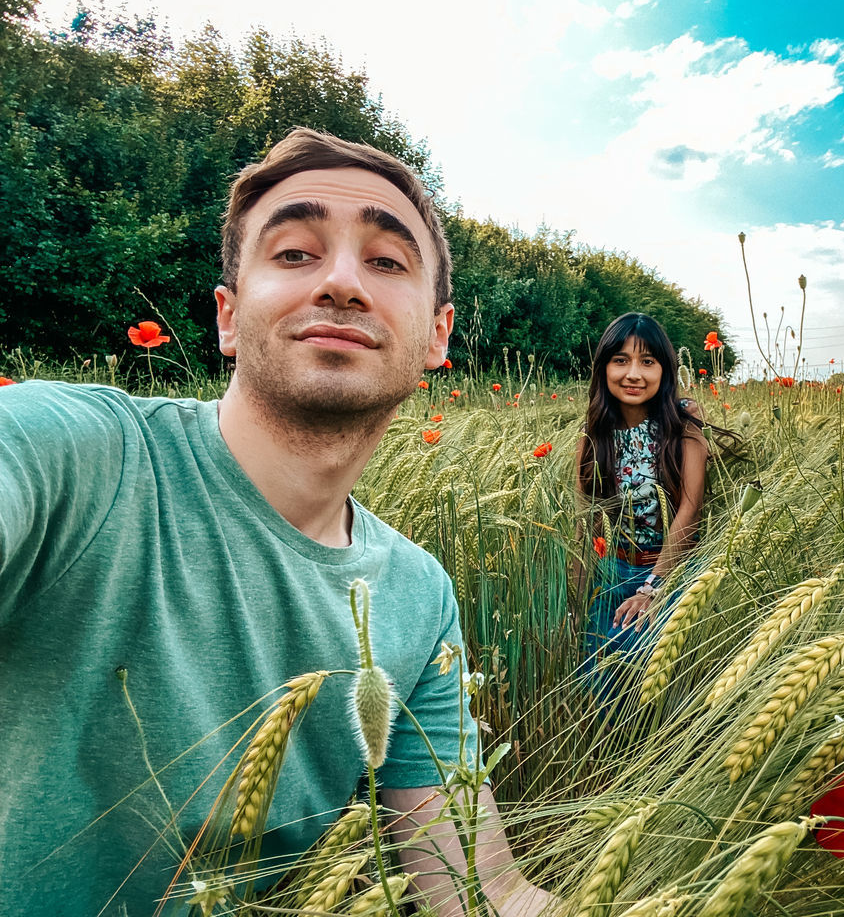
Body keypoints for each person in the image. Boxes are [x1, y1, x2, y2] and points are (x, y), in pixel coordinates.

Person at [0, 129, 552, 917]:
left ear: (438, 335)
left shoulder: (418, 597)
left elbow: (481, 890)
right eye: (295, 253)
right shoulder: (82, 453)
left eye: (387, 261)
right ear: (227, 317)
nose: (341, 282)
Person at [574, 313, 713, 708]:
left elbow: (690, 510)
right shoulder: (594, 435)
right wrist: (576, 598)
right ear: (603, 368)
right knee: (597, 682)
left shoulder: (684, 425)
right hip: (613, 571)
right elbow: (589, 523)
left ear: (664, 370)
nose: (633, 373)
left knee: (649, 677)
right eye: (620, 360)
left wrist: (653, 588)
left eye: (647, 361)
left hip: (671, 571)